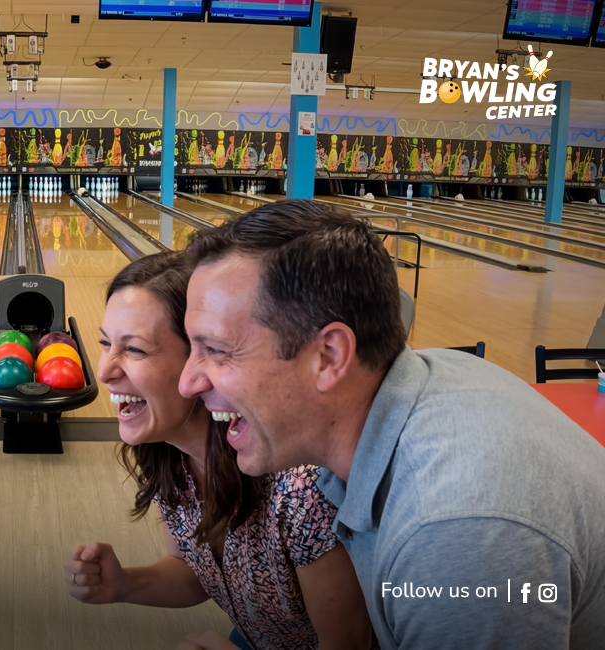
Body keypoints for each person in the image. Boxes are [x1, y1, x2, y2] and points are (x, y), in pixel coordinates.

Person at [178, 199, 605, 648]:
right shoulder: (426, 379)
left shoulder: (452, 536)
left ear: (328, 357)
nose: (187, 383)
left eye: (218, 350)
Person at [64, 252, 374, 650]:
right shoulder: (169, 457)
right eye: (106, 343)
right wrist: (125, 583)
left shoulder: (298, 490)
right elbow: (196, 572)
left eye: (135, 350)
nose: (105, 369)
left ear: (199, 357)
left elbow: (348, 645)